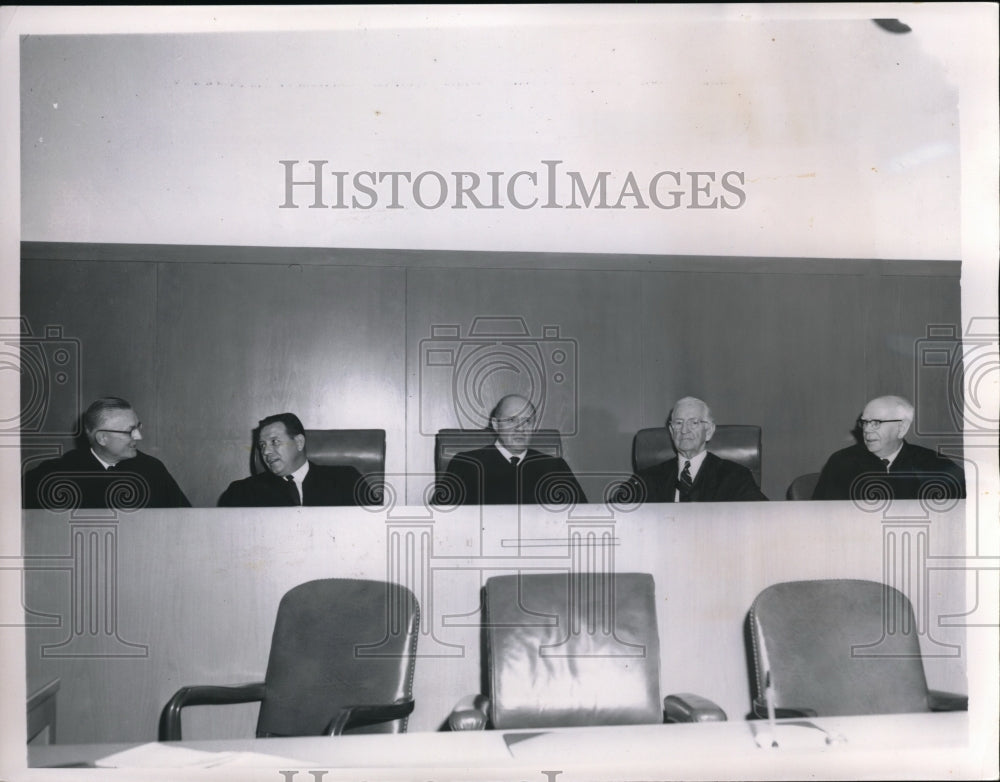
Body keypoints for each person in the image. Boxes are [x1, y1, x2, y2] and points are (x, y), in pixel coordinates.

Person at [23, 397, 190, 509]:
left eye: (138, 427)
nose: (139, 436)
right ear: (102, 438)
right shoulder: (54, 474)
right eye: (130, 431)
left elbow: (184, 519)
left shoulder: (153, 470)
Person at [438, 394, 587, 505]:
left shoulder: (555, 467)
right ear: (496, 425)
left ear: (534, 427)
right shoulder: (466, 464)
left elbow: (581, 517)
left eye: (527, 421)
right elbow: (443, 522)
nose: (520, 428)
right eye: (511, 420)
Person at [812, 395, 965, 501]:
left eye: (876, 422)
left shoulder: (934, 465)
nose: (867, 430)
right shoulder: (841, 462)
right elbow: (822, 517)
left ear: (902, 427)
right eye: (865, 422)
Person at [618, 396, 767, 503]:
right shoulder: (647, 478)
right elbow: (615, 511)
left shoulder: (734, 476)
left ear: (708, 431)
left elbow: (762, 516)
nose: (684, 430)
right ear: (671, 431)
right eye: (678, 423)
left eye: (693, 423)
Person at [218, 412, 375, 506]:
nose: (266, 452)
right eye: (262, 445)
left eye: (274, 442)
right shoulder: (241, 492)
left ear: (299, 442)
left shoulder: (347, 480)